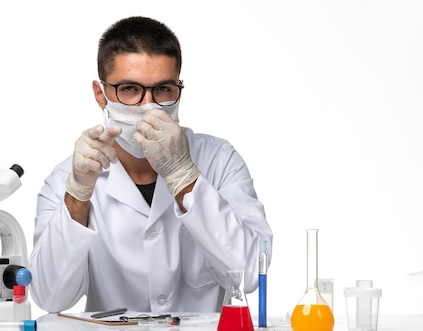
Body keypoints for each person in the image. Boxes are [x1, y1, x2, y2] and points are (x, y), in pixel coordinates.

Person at [28, 16, 272, 314]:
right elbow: (50, 298)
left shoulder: (218, 161)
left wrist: (184, 177)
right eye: (130, 89)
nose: (149, 105)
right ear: (100, 94)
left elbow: (248, 274)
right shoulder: (70, 177)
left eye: (164, 89)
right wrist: (78, 195)